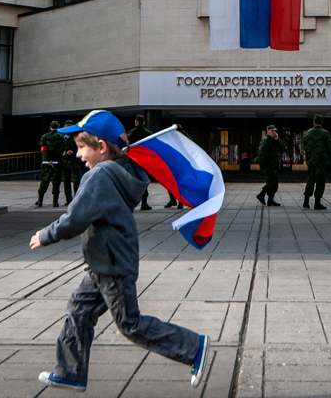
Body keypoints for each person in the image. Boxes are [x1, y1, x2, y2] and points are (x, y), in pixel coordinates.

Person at [29, 110, 210, 392]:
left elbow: (75, 219)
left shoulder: (100, 176)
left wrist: (45, 235)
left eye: (82, 147)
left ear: (101, 147)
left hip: (112, 265)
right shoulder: (120, 172)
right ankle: (70, 372)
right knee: (78, 309)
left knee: (130, 324)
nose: (79, 154)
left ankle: (193, 347)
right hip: (104, 261)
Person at [302, 114, 331, 210]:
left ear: (314, 122)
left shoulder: (308, 133)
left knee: (310, 180)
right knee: (320, 182)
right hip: (321, 161)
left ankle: (306, 201)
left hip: (311, 161)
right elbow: (330, 146)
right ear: (322, 122)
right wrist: (328, 156)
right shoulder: (325, 133)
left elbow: (304, 145)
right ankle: (317, 203)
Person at [38, 121, 71, 207]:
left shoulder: (44, 137)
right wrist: (56, 157)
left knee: (45, 180)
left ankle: (40, 200)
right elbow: (63, 148)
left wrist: (47, 159)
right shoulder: (61, 137)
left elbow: (43, 149)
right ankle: (55, 202)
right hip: (57, 162)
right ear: (58, 127)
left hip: (47, 162)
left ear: (50, 127)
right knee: (56, 181)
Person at [126, 114, 153, 210]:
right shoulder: (148, 133)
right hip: (143, 161)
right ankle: (144, 203)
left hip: (132, 161)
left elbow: (125, 144)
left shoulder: (131, 133)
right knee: (144, 180)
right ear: (144, 122)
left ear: (136, 122)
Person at [255, 125, 285, 207]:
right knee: (271, 183)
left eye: (275, 131)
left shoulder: (275, 140)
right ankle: (261, 194)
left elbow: (283, 148)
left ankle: (270, 200)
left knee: (274, 184)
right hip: (269, 166)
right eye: (272, 131)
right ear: (268, 131)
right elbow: (262, 155)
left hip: (275, 165)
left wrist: (278, 140)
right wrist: (263, 167)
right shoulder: (265, 141)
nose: (274, 132)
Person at [63, 120, 86, 194]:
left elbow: (81, 147)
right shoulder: (62, 137)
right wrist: (62, 152)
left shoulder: (76, 137)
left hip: (74, 161)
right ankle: (68, 198)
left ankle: (77, 195)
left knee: (76, 179)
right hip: (65, 161)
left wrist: (73, 151)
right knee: (66, 180)